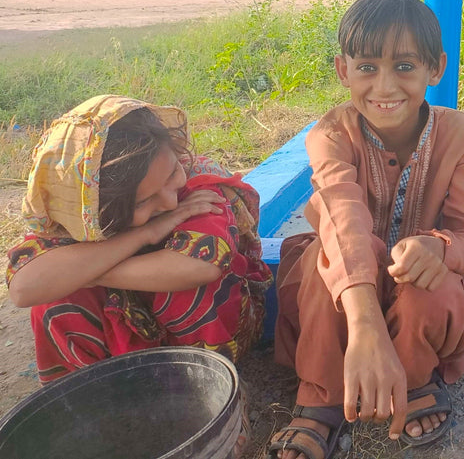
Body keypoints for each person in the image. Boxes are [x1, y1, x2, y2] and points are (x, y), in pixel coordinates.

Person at [269, 0, 464, 459]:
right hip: (346, 292)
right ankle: (322, 396)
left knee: (438, 280)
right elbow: (343, 218)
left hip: (411, 289)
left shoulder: (462, 134)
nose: (385, 87)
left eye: (405, 67)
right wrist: (366, 324)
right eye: (368, 67)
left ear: (436, 69)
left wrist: (440, 248)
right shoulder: (330, 134)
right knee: (328, 254)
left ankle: (413, 375)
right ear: (343, 70)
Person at [6, 95, 272, 383]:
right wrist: (145, 234)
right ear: (97, 210)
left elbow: (199, 267)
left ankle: (202, 387)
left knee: (188, 287)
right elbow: (25, 289)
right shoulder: (77, 214)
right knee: (55, 301)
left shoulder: (201, 185)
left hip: (211, 342)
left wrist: (88, 274)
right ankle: (92, 398)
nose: (171, 203)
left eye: (172, 173)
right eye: (141, 203)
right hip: (121, 356)